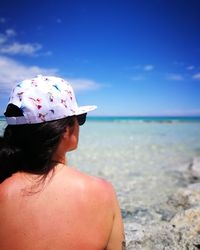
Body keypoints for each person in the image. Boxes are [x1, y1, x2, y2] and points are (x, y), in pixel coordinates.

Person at [0, 75, 125, 250]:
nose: (80, 125)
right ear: (65, 129)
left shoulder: (3, 185)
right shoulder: (102, 193)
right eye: (80, 118)